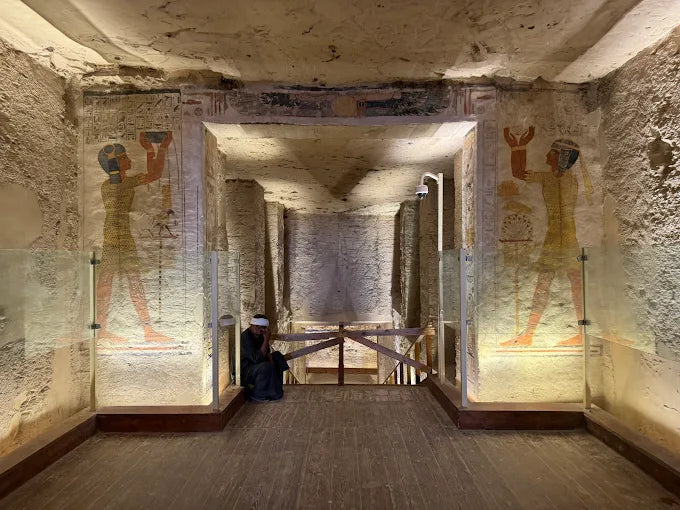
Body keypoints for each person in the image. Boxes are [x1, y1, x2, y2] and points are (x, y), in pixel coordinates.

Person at [501, 129, 593, 347]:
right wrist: (518, 146)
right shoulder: (549, 177)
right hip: (554, 237)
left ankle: (581, 334)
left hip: (567, 238)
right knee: (543, 285)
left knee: (575, 286)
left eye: (551, 153)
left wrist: (519, 147)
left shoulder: (568, 181)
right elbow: (519, 173)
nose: (546, 155)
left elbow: (521, 174)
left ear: (561, 157)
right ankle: (529, 334)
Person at [96, 132, 173, 342]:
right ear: (114, 164)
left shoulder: (126, 182)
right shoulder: (111, 185)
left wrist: (153, 149)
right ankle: (101, 330)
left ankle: (147, 330)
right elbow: (153, 174)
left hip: (124, 237)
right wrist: (157, 148)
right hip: (112, 238)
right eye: (123, 158)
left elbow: (154, 174)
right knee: (106, 283)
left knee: (135, 282)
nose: (129, 159)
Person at [241, 314, 289, 401]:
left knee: (277, 356)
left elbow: (267, 353)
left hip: (256, 364)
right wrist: (266, 340)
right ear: (251, 325)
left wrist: (272, 364)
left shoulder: (260, 335)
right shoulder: (246, 337)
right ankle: (257, 394)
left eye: (262, 327)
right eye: (257, 326)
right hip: (246, 368)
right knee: (266, 366)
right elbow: (256, 359)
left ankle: (276, 389)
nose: (259, 329)